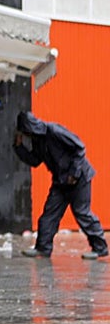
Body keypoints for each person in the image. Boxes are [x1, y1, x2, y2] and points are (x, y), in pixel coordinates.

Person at [16, 111, 109, 259]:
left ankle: (100, 248)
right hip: (61, 180)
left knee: (82, 212)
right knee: (49, 214)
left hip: (79, 178)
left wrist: (74, 174)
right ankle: (43, 248)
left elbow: (79, 148)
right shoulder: (37, 139)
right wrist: (19, 148)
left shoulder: (54, 130)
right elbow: (35, 161)